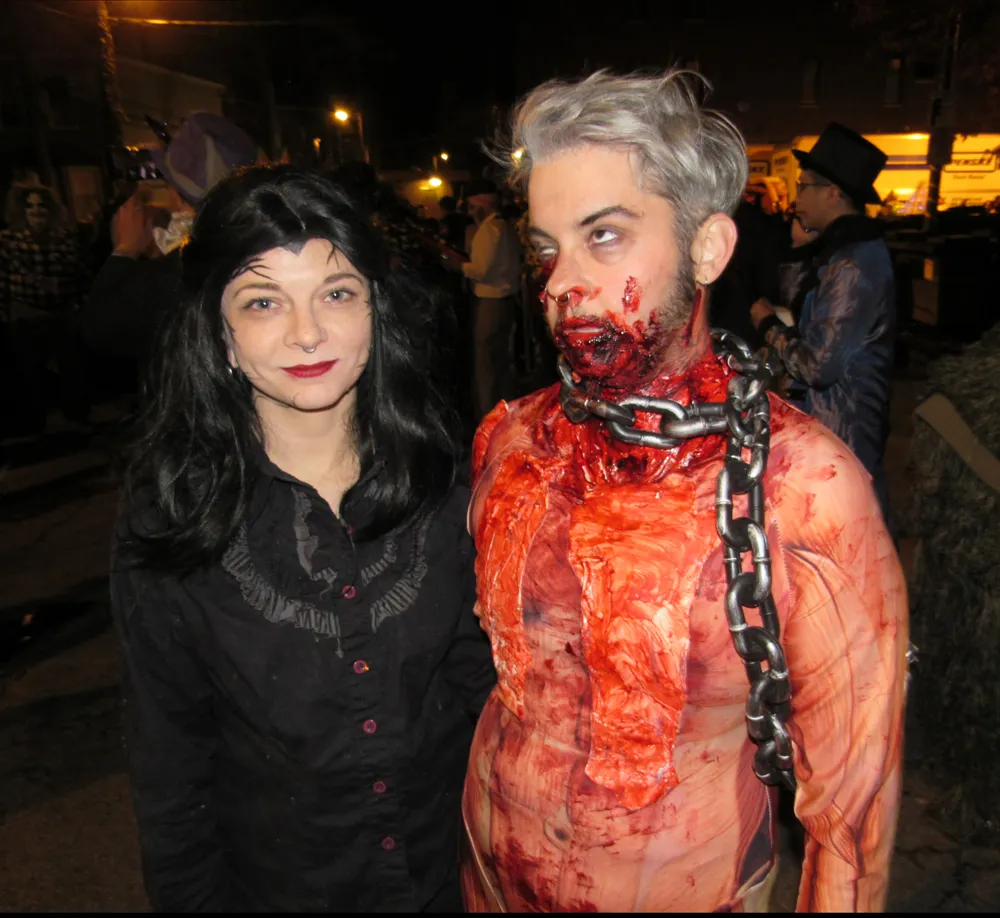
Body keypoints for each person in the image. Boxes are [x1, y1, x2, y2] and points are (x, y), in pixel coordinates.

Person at [460, 71, 907, 912]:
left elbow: (851, 817)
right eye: (547, 248)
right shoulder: (512, 440)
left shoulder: (805, 488)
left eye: (604, 236)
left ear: (709, 248)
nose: (559, 285)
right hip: (488, 872)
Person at [111, 166, 496, 911]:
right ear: (220, 334)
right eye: (263, 302)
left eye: (336, 293)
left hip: (450, 878)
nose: (307, 332)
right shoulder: (172, 516)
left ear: (376, 308)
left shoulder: (442, 482)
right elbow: (170, 767)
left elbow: (484, 695)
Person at [750, 123, 896, 522]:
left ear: (832, 193)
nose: (796, 197)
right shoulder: (839, 253)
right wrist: (800, 251)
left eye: (804, 186)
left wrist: (767, 325)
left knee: (844, 542)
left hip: (843, 437)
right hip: (832, 430)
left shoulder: (852, 264)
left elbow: (817, 366)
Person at [82, 112, 262, 371]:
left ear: (178, 195)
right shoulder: (259, 246)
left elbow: (99, 331)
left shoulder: (185, 269)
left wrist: (125, 250)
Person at [0, 175, 90, 434]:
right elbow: (3, 278)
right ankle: (35, 423)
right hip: (26, 314)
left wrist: (79, 304)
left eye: (41, 205)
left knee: (71, 367)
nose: (36, 210)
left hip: (61, 312)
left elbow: (78, 273)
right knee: (30, 372)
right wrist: (4, 311)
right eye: (30, 206)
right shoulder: (8, 240)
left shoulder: (64, 238)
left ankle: (77, 416)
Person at [458, 177, 523, 421]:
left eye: (473, 206)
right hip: (504, 300)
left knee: (486, 365)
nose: (470, 211)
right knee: (500, 361)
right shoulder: (504, 227)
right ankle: (505, 412)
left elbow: (480, 270)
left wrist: (458, 266)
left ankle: (488, 417)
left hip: (491, 301)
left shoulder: (490, 229)